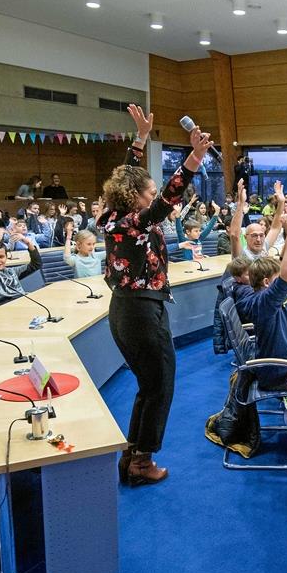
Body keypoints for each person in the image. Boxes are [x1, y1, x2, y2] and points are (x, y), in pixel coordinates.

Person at [101, 105, 211, 486]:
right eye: (148, 192)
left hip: (126, 310)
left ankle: (132, 452)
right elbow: (169, 197)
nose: (153, 195)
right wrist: (194, 157)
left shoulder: (112, 215)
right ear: (136, 199)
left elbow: (128, 179)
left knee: (148, 384)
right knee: (160, 383)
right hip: (142, 313)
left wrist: (140, 139)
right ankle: (143, 462)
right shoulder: (134, 220)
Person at [234, 215, 287, 391]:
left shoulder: (264, 298)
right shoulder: (264, 302)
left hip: (285, 362)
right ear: (266, 282)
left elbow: (282, 267)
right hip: (281, 374)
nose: (279, 281)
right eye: (275, 278)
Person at [229, 180, 283, 260]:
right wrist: (241, 203)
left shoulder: (263, 247)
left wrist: (281, 202)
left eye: (261, 235)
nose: (258, 239)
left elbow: (275, 228)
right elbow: (234, 235)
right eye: (254, 235)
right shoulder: (241, 255)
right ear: (245, 237)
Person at [0, 237, 41, 305]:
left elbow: (36, 264)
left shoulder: (12, 271)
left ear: (6, 257)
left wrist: (29, 243)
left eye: (1, 257)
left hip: (22, 301)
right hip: (2, 307)